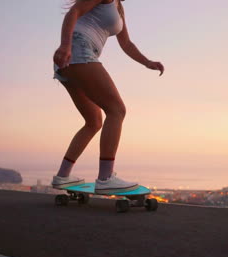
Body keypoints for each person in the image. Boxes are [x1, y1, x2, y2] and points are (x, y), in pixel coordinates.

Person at [51, 0, 164, 194]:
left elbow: (126, 43)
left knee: (93, 122)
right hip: (78, 50)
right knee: (116, 110)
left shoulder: (119, 7)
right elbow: (75, 11)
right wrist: (65, 45)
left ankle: (63, 176)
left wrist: (147, 62)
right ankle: (105, 178)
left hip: (77, 56)